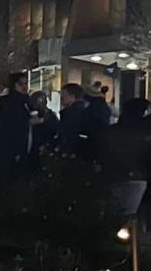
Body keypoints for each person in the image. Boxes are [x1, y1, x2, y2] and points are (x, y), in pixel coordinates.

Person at [97, 97, 151, 231]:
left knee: (115, 216)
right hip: (139, 178)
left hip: (111, 176)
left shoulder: (110, 132)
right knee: (135, 217)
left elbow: (100, 154)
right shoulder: (145, 134)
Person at [0, 72, 33, 173]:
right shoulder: (14, 102)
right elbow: (15, 121)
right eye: (21, 84)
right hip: (14, 146)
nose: (25, 87)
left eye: (26, 83)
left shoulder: (25, 101)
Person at [57, 83, 93, 158]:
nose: (61, 97)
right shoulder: (87, 110)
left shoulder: (71, 114)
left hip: (72, 154)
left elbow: (69, 134)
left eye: (64, 94)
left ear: (72, 97)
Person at [29, 90, 59, 162]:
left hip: (48, 145)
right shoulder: (28, 115)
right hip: (33, 148)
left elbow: (56, 129)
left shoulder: (51, 115)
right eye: (37, 101)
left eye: (43, 101)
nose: (40, 104)